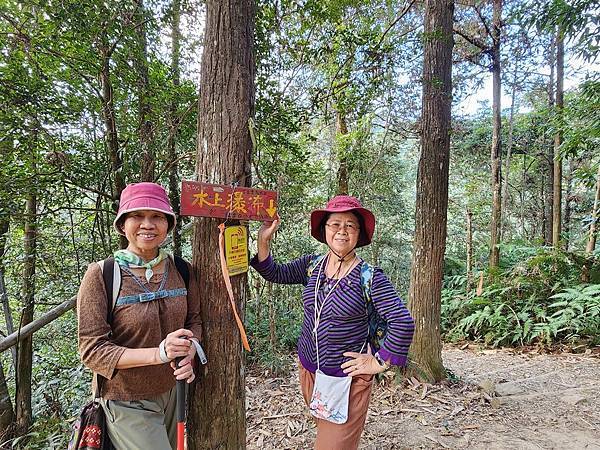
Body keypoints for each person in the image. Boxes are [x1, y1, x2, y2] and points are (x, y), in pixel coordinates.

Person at [250, 195, 415, 450]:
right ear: (324, 229)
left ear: (359, 234)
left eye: (350, 225)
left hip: (345, 380)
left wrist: (379, 362)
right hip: (309, 371)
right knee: (325, 432)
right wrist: (264, 239)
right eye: (334, 223)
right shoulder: (312, 266)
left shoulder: (370, 277)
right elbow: (275, 273)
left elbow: (402, 321)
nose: (341, 230)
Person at [77, 182, 203, 450]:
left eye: (157, 217)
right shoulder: (101, 275)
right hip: (127, 398)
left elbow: (194, 321)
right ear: (123, 225)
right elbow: (92, 350)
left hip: (174, 393)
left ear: (168, 225)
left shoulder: (181, 269)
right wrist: (159, 354)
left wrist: (190, 349)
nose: (148, 224)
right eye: (137, 216)